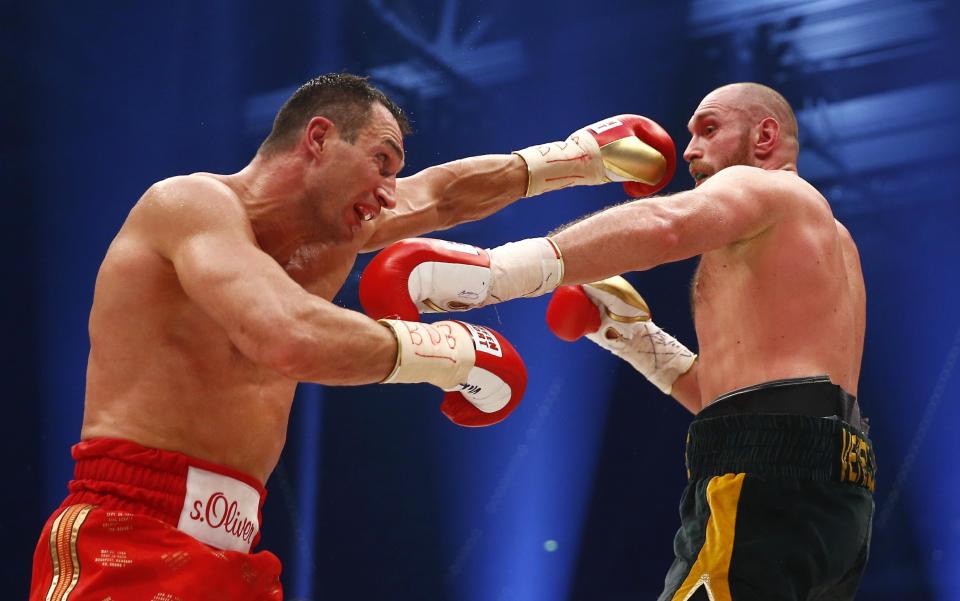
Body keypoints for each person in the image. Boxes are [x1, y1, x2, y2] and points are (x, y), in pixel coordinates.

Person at [29, 72, 676, 600]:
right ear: (318, 138)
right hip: (130, 530)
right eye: (382, 161)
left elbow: (445, 196)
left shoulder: (335, 234)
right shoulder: (189, 206)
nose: (391, 194)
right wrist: (449, 352)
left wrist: (577, 158)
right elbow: (282, 333)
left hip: (235, 547)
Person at [362, 82, 877, 600]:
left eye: (710, 129)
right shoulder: (831, 244)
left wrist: (496, 273)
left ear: (765, 135)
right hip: (839, 498)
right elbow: (736, 399)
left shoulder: (772, 189)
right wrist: (631, 337)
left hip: (763, 482)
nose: (692, 151)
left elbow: (666, 225)